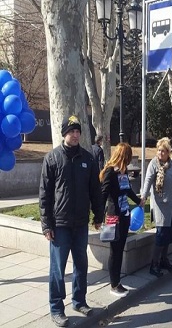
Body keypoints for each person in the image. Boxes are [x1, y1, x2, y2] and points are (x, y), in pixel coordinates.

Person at [39, 115, 104, 327]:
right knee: (58, 269)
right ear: (64, 134)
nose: (75, 135)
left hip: (81, 223)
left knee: (81, 265)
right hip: (60, 225)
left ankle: (79, 301)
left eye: (77, 131)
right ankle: (56, 308)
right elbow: (45, 195)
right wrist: (47, 225)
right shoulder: (53, 158)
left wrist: (98, 215)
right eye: (71, 131)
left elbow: (95, 190)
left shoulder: (88, 158)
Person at [100, 143, 142, 298]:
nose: (130, 159)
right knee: (115, 251)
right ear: (123, 156)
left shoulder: (122, 171)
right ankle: (114, 284)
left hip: (124, 215)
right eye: (128, 156)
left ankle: (117, 282)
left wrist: (138, 201)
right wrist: (98, 217)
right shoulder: (110, 172)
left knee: (120, 250)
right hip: (113, 217)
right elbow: (103, 195)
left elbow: (128, 190)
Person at [141, 137, 172, 277]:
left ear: (168, 152)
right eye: (158, 150)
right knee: (160, 235)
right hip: (160, 205)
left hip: (171, 204)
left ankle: (164, 260)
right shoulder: (154, 164)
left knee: (169, 234)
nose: (160, 153)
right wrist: (143, 197)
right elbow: (148, 181)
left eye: (163, 151)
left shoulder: (171, 165)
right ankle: (154, 265)